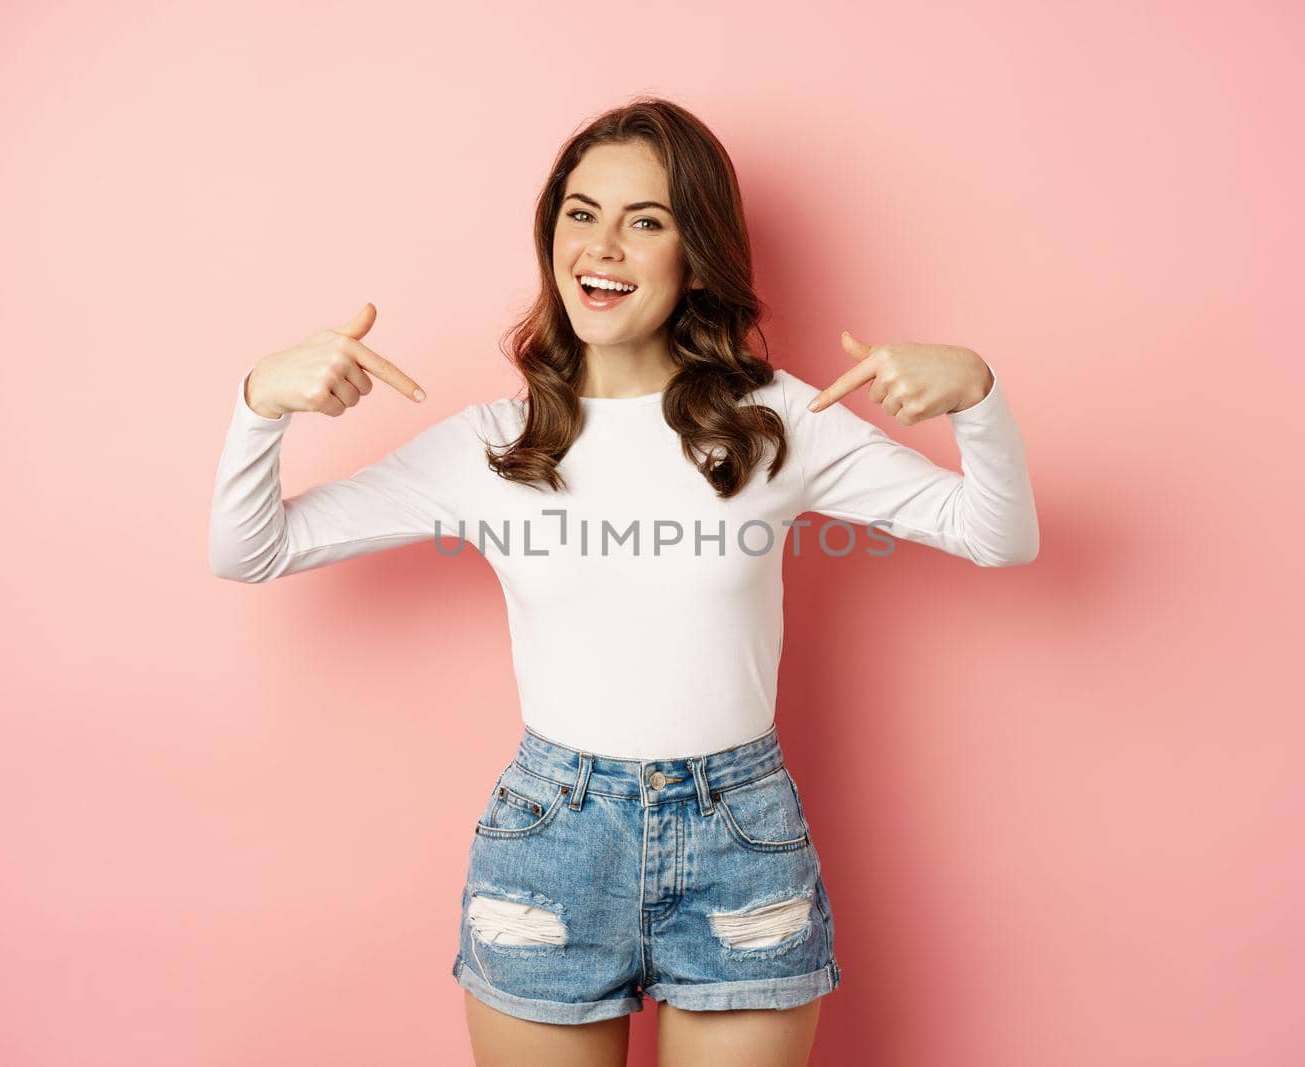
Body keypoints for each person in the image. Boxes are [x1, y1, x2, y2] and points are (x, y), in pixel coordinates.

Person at [207, 96, 1038, 1067]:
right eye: (580, 210)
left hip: (741, 840)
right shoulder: (494, 445)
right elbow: (249, 548)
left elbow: (996, 535)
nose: (600, 245)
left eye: (645, 220)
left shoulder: (779, 423)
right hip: (551, 839)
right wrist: (261, 403)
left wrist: (977, 395)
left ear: (697, 256)